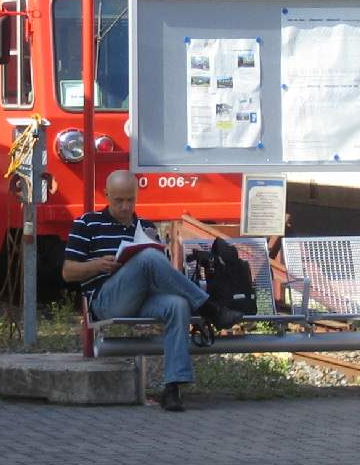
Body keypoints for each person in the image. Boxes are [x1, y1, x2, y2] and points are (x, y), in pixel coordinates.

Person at [62, 170, 241, 412]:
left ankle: (172, 388)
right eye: (118, 200)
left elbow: (162, 273)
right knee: (147, 257)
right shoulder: (87, 223)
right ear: (106, 195)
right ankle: (210, 307)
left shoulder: (145, 227)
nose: (125, 207)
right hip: (106, 299)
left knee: (178, 304)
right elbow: (68, 272)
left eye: (130, 200)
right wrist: (98, 265)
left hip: (143, 296)